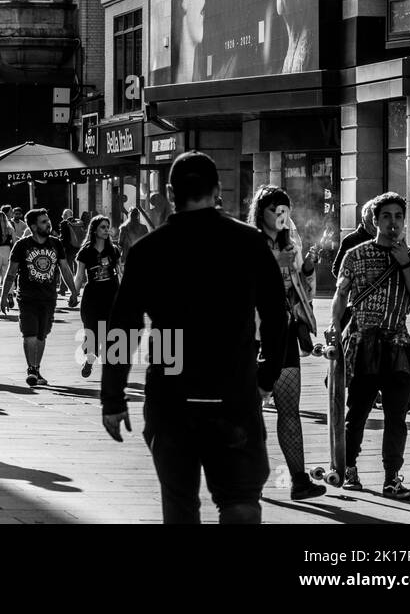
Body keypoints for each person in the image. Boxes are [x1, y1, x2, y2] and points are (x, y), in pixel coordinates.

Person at [101, 151, 289, 524]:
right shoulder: (249, 242)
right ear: (217, 190)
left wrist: (113, 397)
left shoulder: (147, 250)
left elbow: (124, 327)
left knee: (180, 504)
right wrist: (265, 377)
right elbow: (275, 316)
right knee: (240, 499)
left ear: (171, 193)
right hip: (234, 390)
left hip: (171, 394)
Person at [330, 192, 410, 499]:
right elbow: (341, 295)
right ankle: (349, 469)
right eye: (386, 216)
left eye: (398, 216)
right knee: (356, 412)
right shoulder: (355, 255)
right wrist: (334, 328)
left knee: (396, 416)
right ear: (374, 221)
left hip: (397, 343)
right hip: (363, 343)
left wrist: (404, 265)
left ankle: (391, 478)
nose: (393, 223)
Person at [249, 186, 326, 501]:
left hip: (285, 332)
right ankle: (247, 478)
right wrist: (275, 264)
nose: (281, 216)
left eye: (285, 210)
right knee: (248, 411)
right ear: (261, 213)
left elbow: (300, 295)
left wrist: (306, 268)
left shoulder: (291, 244)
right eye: (274, 210)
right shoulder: (248, 243)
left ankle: (299, 480)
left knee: (289, 409)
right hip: (253, 336)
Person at [1, 209, 77, 387]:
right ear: (34, 226)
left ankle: (36, 367)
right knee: (29, 334)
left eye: (48, 221)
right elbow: (11, 273)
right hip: (27, 297)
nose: (48, 224)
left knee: (42, 335)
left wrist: (74, 291)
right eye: (43, 222)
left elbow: (65, 269)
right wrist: (4, 296)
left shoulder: (56, 244)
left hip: (49, 297)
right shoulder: (21, 245)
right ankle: (31, 369)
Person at [75, 216, 122, 380]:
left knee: (111, 333)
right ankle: (89, 360)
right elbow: (79, 276)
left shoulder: (114, 250)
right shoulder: (85, 252)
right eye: (103, 227)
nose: (106, 229)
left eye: (108, 227)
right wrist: (74, 294)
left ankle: (110, 371)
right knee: (92, 332)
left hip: (111, 294)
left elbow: (120, 272)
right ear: (94, 230)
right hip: (92, 297)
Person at [332, 200, 375, 278]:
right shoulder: (350, 240)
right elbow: (337, 269)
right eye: (371, 222)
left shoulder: (386, 239)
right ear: (364, 220)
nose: (374, 227)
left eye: (375, 221)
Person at [58, 209, 85, 308]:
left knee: (66, 268)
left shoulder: (64, 223)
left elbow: (63, 237)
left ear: (65, 215)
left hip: (68, 248)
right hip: (77, 247)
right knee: (78, 269)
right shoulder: (78, 223)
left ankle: (63, 288)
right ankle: (76, 288)